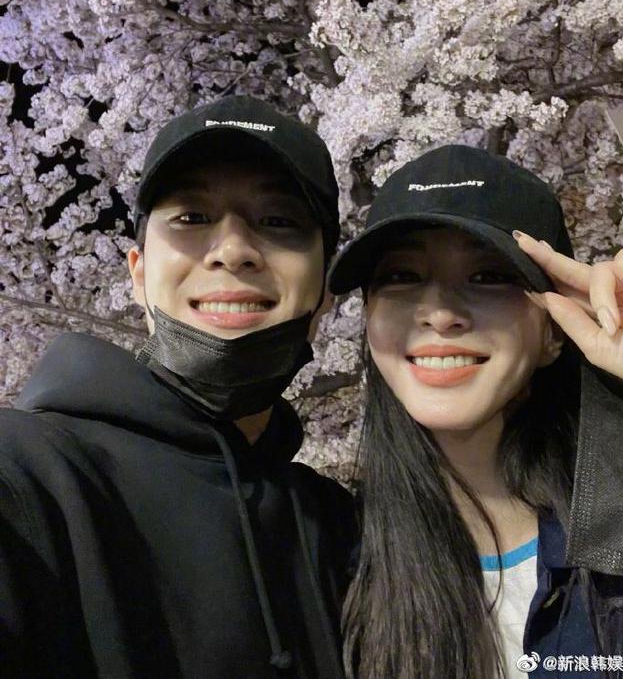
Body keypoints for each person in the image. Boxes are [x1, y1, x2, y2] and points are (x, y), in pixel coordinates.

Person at [0, 95, 356, 679]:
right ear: (138, 274)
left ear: (325, 291)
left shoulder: (336, 525)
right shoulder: (27, 477)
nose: (234, 251)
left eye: (278, 221)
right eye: (192, 217)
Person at [328, 144, 623, 678]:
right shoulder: (328, 561)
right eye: (401, 275)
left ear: (554, 331)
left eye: (489, 276)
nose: (440, 313)